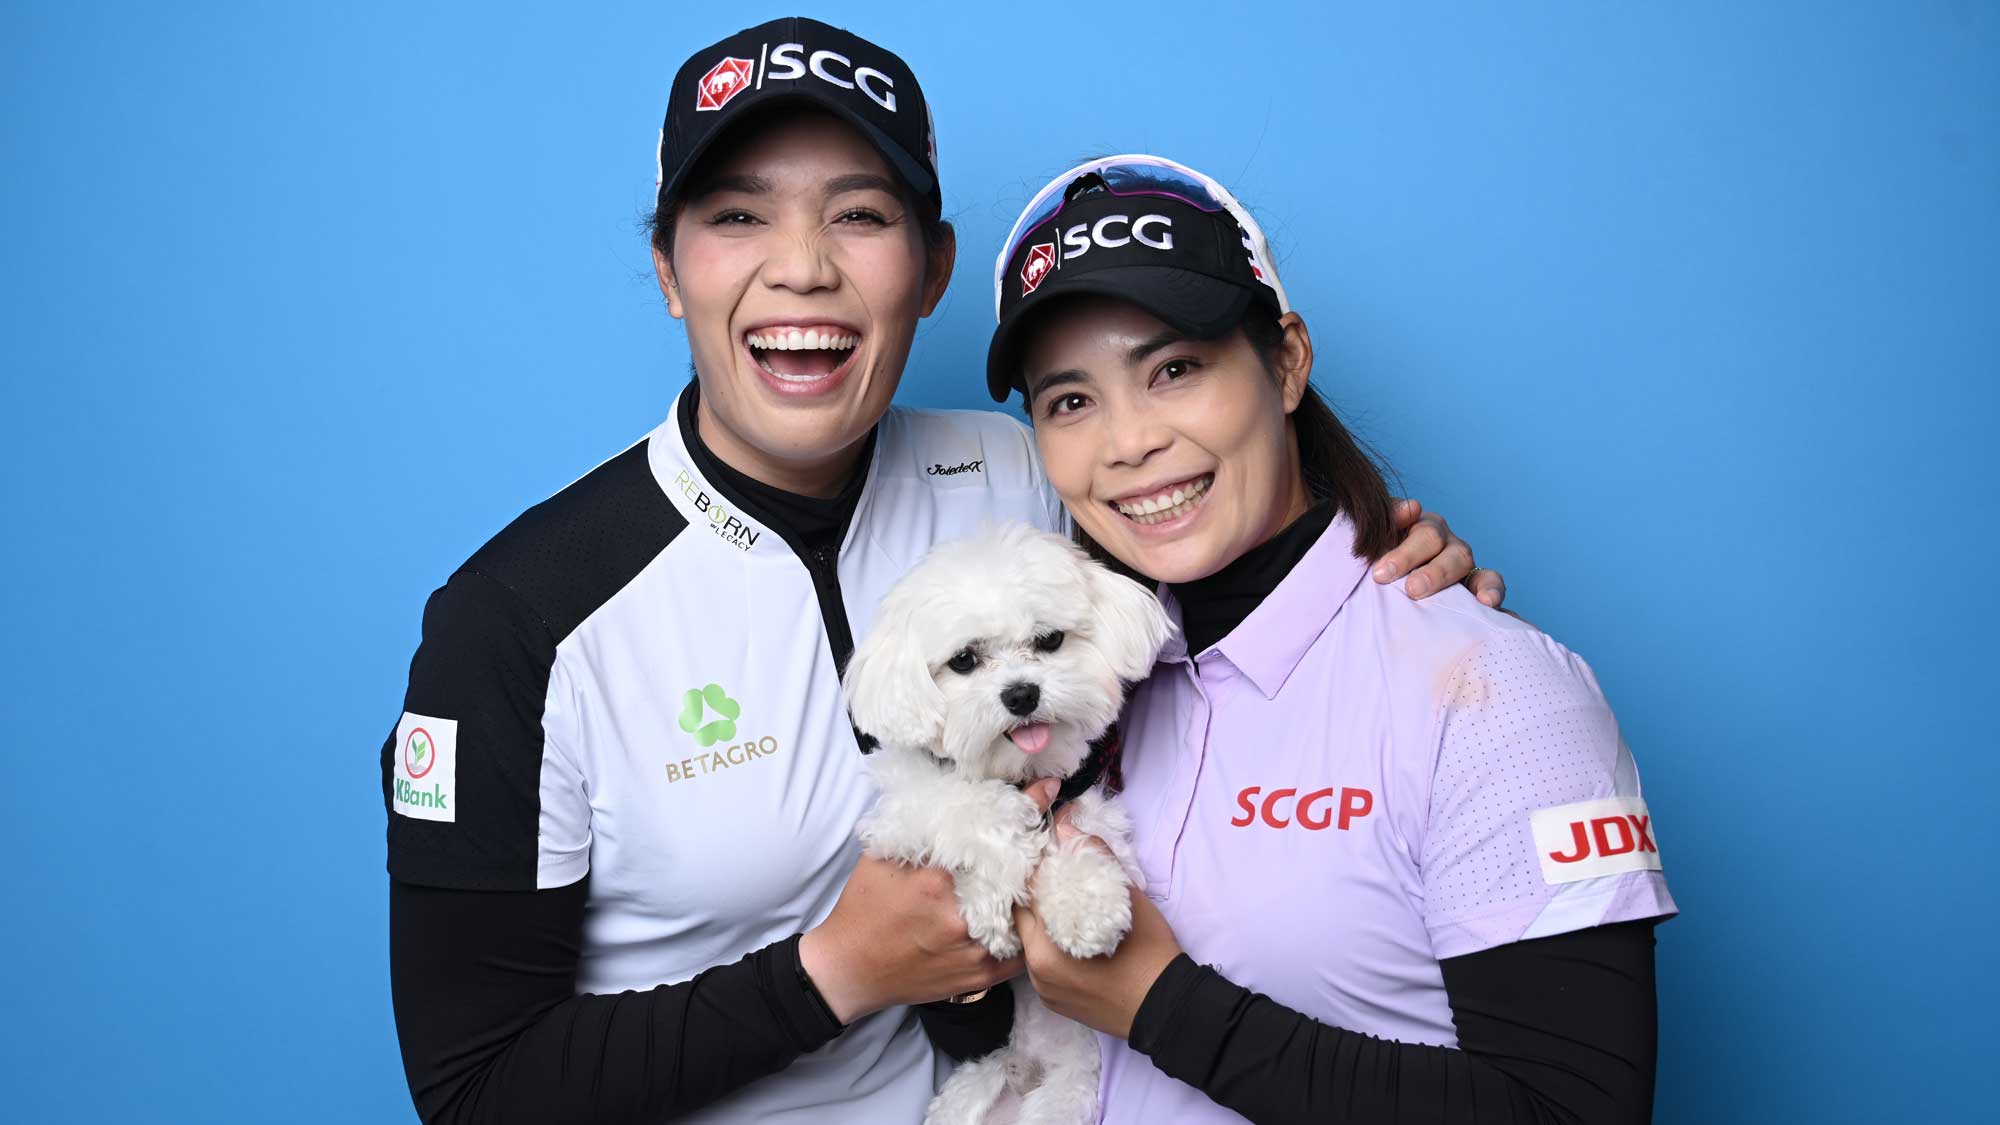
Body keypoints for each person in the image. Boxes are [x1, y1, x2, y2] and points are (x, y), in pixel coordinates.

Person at [382, 24, 1498, 1125]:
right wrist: (837, 972)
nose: (803, 266)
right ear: (670, 270)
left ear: (933, 271)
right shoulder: (519, 618)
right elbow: (475, 1090)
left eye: (861, 216)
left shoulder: (1040, 476)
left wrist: (1387, 573)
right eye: (736, 216)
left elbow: (1235, 569)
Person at [986, 155, 1677, 1124]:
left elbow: (1572, 1111)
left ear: (1284, 362)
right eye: (1069, 400)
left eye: (1174, 369)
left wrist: (1162, 1007)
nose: (1125, 440)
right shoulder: (1077, 695)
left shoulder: (1494, 688)